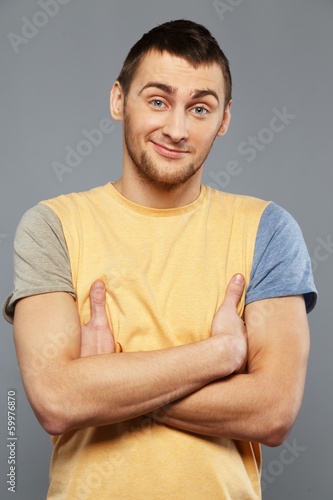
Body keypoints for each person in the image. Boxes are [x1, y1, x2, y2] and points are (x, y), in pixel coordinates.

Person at [3, 19, 317, 500]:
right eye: (157, 101)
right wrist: (219, 356)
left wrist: (108, 385)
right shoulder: (51, 226)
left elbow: (273, 412)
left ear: (225, 119)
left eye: (199, 108)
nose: (176, 128)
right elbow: (57, 400)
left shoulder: (268, 230)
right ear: (117, 101)